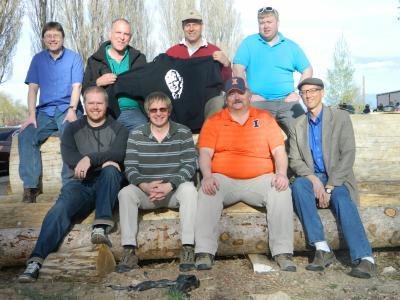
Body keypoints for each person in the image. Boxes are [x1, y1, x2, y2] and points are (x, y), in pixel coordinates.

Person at [18, 86, 129, 283]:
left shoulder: (119, 128)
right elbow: (71, 158)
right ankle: (36, 261)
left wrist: (90, 159)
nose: (95, 107)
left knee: (111, 170)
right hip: (80, 185)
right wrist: (100, 160)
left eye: (99, 103)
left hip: (108, 185)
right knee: (59, 209)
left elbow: (118, 154)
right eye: (91, 103)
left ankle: (100, 227)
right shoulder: (72, 128)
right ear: (84, 105)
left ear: (106, 104)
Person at [194, 77, 296, 272]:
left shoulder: (265, 118)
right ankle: (204, 252)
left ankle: (283, 252)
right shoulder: (215, 121)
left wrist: (281, 173)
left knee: (282, 191)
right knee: (207, 190)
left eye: (240, 92)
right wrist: (207, 175)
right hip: (224, 179)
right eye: (231, 94)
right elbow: (205, 153)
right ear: (226, 99)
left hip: (260, 179)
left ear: (248, 96)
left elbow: (278, 152)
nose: (236, 97)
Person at [289, 77, 376, 279]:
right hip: (312, 177)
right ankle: (322, 249)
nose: (308, 95)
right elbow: (294, 160)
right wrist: (314, 180)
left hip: (337, 177)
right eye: (304, 92)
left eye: (313, 91)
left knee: (342, 199)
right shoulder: (297, 125)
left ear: (322, 92)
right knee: (299, 187)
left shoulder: (340, 117)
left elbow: (348, 155)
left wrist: (328, 186)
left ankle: (365, 259)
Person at [116, 91, 197, 273]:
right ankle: (129, 250)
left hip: (173, 191)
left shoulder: (183, 132)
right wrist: (144, 185)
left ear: (169, 111)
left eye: (162, 109)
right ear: (147, 112)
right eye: (153, 110)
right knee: (126, 193)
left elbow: (189, 165)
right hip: (147, 191)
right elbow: (130, 167)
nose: (158, 113)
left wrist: (170, 185)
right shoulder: (136, 134)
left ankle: (188, 247)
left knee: (190, 190)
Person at [18, 21, 84, 203]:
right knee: (26, 134)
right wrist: (31, 115)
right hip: (45, 111)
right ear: (43, 39)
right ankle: (30, 186)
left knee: (69, 134)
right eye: (49, 36)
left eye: (56, 36)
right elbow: (32, 89)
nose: (53, 39)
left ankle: (69, 185)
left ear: (63, 38)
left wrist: (72, 110)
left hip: (67, 108)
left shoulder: (74, 58)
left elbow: (77, 86)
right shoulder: (37, 60)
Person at [233, 6, 312, 135]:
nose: (266, 26)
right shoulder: (249, 43)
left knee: (304, 133)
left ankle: (288, 154)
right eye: (262, 23)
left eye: (269, 22)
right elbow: (237, 68)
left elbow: (307, 69)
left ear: (277, 23)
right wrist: (248, 94)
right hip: (258, 102)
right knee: (253, 136)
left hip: (287, 102)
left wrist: (298, 93)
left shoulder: (291, 46)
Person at [83, 18, 147, 130]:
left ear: (130, 38)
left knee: (143, 139)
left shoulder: (139, 59)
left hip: (134, 112)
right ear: (110, 34)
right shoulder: (94, 60)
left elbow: (147, 87)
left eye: (126, 34)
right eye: (118, 32)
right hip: (106, 112)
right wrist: (98, 82)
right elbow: (85, 89)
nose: (122, 37)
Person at [166, 9, 232, 118]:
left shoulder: (214, 51)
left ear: (202, 26)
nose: (191, 29)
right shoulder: (172, 53)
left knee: (218, 101)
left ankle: (211, 132)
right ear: (183, 27)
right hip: (179, 102)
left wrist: (226, 64)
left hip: (206, 102)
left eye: (195, 25)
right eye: (188, 25)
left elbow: (226, 85)